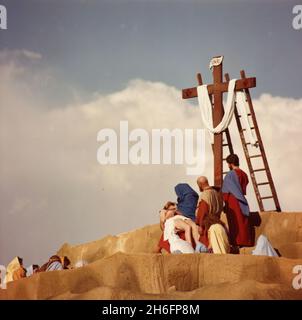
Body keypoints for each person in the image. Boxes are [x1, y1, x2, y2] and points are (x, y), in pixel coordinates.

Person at [222, 154, 253, 248]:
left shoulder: (229, 175)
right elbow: (243, 189)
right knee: (243, 221)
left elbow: (225, 190)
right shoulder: (244, 174)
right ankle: (247, 242)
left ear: (230, 164)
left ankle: (237, 243)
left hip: (232, 200)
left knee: (235, 221)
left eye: (228, 163)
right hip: (242, 199)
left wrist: (224, 202)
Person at [196, 176, 230, 254]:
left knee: (206, 245)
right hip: (217, 221)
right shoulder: (217, 193)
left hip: (208, 223)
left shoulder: (205, 195)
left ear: (200, 185)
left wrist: (200, 225)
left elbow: (203, 211)